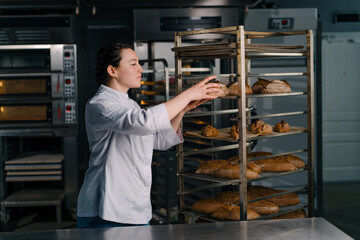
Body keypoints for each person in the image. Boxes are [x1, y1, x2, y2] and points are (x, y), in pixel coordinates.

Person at [77, 43, 221, 228]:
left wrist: (182, 110)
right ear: (112, 70)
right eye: (133, 64)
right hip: (107, 207)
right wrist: (187, 94)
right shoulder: (99, 105)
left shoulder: (130, 105)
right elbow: (144, 122)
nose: (140, 69)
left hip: (134, 205)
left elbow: (158, 141)